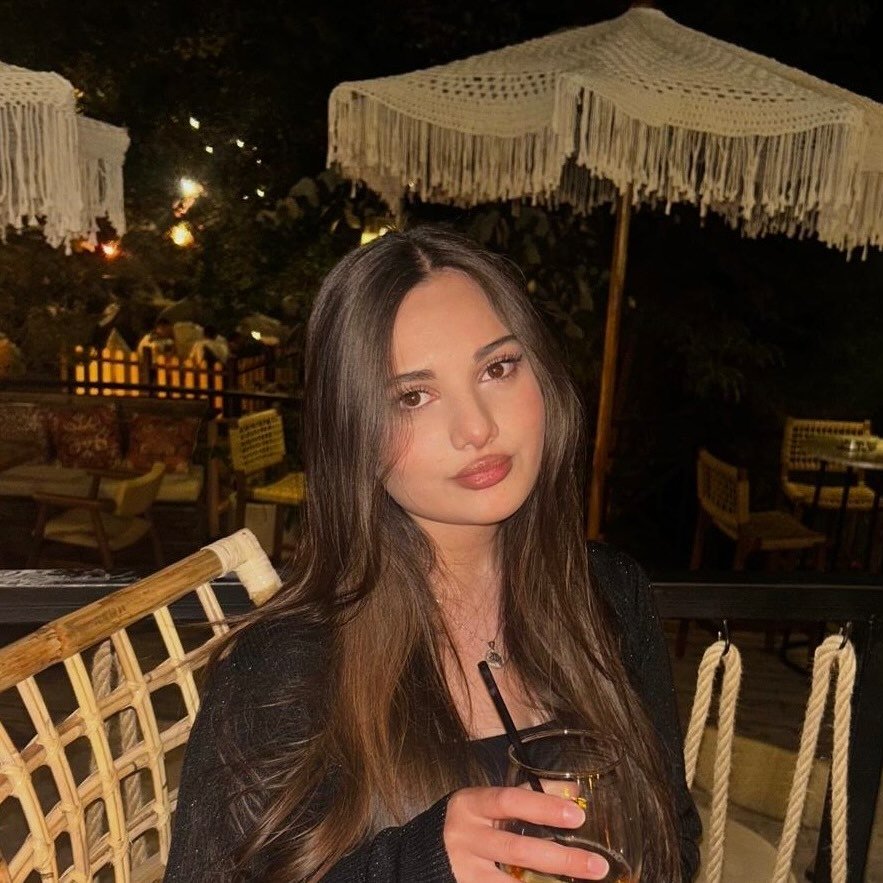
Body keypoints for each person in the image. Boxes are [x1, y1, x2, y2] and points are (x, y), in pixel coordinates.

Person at [164, 227, 701, 882]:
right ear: (353, 433)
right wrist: (412, 864)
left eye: (497, 368)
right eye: (413, 396)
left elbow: (673, 835)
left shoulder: (609, 594)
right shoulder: (283, 669)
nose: (476, 427)